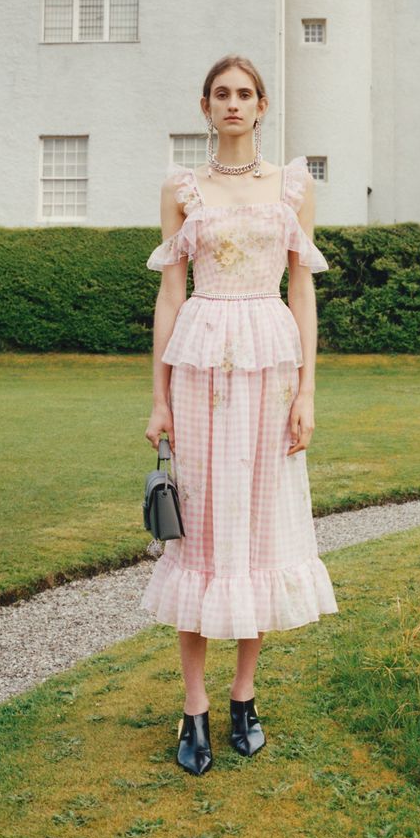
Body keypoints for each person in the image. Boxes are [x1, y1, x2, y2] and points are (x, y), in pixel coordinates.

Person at [142, 53, 339, 776]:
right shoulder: (181, 188)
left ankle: (243, 695)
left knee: (259, 528)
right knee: (199, 536)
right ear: (205, 107)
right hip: (198, 366)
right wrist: (157, 396)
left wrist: (308, 391)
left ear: (261, 107)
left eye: (244, 94)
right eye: (220, 94)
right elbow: (168, 297)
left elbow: (303, 292)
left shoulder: (292, 186)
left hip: (271, 368)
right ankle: (193, 707)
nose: (233, 104)